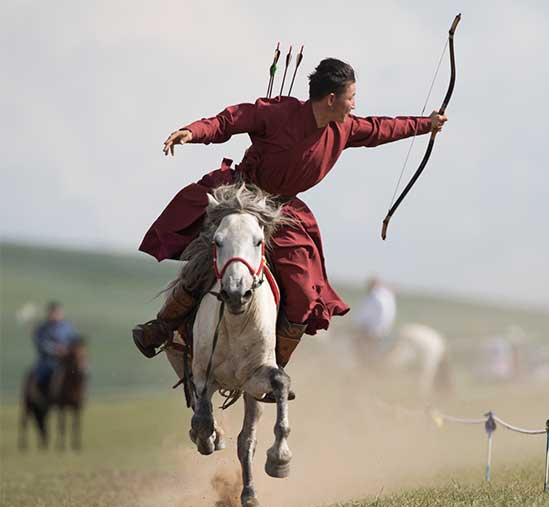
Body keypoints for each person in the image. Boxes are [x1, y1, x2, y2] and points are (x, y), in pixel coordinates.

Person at [133, 58, 447, 373]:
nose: (354, 105)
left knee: (303, 289)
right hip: (243, 195)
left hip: (281, 211)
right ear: (331, 99)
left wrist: (426, 124)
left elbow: (382, 128)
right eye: (351, 98)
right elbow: (230, 120)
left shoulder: (344, 128)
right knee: (210, 259)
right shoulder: (278, 112)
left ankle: (273, 365)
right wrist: (192, 131)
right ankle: (162, 327)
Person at [32, 302, 77, 399]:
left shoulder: (68, 328)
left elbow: (74, 342)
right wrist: (55, 350)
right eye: (54, 313)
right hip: (48, 360)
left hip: (65, 360)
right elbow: (41, 343)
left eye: (58, 312)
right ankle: (41, 396)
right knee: (42, 374)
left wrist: (68, 350)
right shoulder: (43, 328)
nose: (56, 315)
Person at [353, 277, 397, 362]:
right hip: (387, 328)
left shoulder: (374, 296)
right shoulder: (388, 295)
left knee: (358, 345)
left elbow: (362, 315)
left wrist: (357, 325)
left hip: (374, 330)